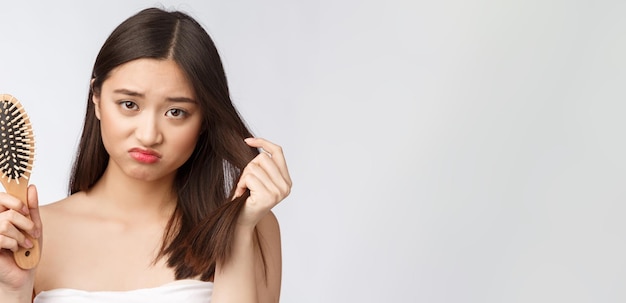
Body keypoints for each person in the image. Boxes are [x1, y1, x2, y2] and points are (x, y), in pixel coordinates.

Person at [0, 7, 291, 303]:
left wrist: (236, 232)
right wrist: (12, 291)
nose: (149, 134)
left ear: (204, 119)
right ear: (97, 99)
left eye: (175, 112)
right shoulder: (29, 238)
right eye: (129, 105)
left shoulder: (253, 228)